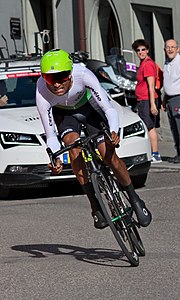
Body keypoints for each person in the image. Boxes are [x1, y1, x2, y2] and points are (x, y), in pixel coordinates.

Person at [36, 48, 152, 229]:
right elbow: (51, 134)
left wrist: (113, 131)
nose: (56, 84)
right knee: (73, 147)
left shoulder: (83, 74)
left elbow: (109, 109)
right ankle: (95, 205)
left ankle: (134, 198)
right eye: (50, 79)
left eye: (61, 78)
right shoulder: (42, 91)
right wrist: (55, 157)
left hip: (90, 108)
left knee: (108, 154)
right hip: (66, 114)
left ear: (70, 73)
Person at [132, 39, 162, 163]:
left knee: (149, 127)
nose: (141, 52)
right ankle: (151, 152)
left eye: (143, 49)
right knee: (147, 126)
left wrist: (152, 104)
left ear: (148, 50)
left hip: (146, 100)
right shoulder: (143, 63)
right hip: (143, 99)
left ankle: (155, 154)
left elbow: (151, 85)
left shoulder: (148, 64)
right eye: (138, 50)